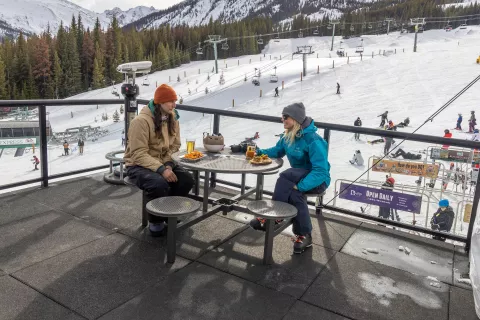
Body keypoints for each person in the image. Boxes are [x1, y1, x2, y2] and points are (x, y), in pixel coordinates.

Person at [250, 102, 331, 254]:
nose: (283, 120)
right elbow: (276, 151)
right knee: (293, 192)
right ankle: (304, 235)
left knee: (287, 176)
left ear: (296, 119)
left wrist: (301, 186)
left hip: (317, 180)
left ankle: (275, 217)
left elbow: (321, 171)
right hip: (296, 179)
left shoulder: (313, 139)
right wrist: (257, 151)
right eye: (282, 117)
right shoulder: (288, 136)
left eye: (286, 117)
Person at [124, 84, 195, 237]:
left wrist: (168, 164)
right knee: (158, 184)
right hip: (138, 164)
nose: (174, 105)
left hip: (164, 161)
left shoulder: (173, 118)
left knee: (187, 180)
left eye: (175, 101)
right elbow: (138, 154)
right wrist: (161, 170)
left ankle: (170, 214)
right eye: (171, 101)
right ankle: (156, 222)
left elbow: (175, 145)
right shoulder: (141, 122)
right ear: (160, 102)